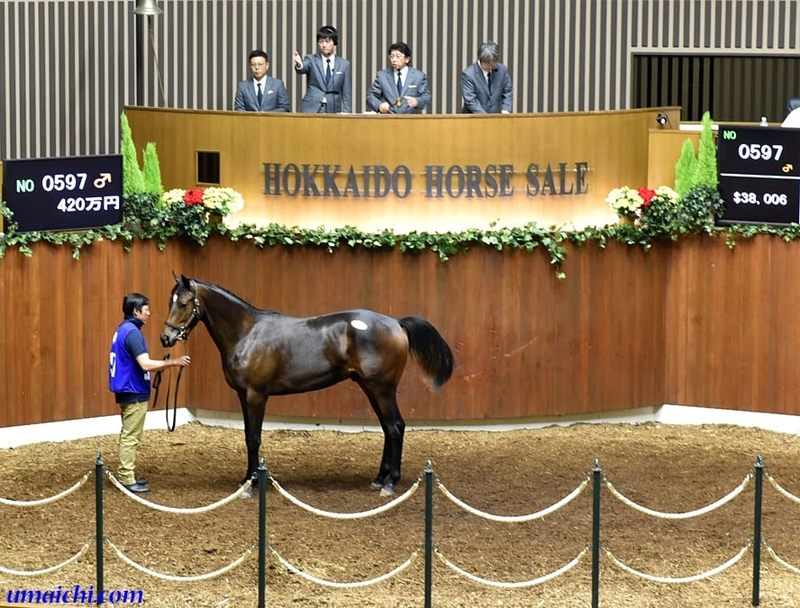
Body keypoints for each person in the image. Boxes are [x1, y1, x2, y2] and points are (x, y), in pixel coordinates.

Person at [109, 293, 191, 493]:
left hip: (127, 389)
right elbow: (145, 364)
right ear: (136, 311)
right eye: (146, 310)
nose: (149, 313)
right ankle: (126, 478)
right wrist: (173, 362)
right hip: (133, 390)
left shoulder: (123, 330)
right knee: (130, 436)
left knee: (129, 434)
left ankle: (127, 474)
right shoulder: (133, 333)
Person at [292, 25, 352, 114]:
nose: (324, 45)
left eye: (327, 41)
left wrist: (347, 112)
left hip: (333, 108)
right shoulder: (311, 59)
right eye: (321, 42)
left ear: (335, 42)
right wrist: (299, 64)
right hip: (311, 107)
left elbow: (346, 92)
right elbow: (302, 68)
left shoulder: (344, 64)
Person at [366, 42, 431, 114]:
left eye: (398, 56)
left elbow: (426, 96)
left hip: (411, 118)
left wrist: (417, 102)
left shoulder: (418, 76)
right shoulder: (382, 76)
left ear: (407, 59)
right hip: (388, 118)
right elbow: (371, 96)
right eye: (391, 56)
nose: (394, 60)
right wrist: (379, 105)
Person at [460, 41, 513, 114]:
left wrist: (505, 109)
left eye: (493, 62)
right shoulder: (468, 74)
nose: (490, 66)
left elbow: (507, 91)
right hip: (474, 117)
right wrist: (486, 118)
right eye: (487, 63)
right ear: (480, 60)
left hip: (496, 117)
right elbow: (471, 100)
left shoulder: (502, 70)